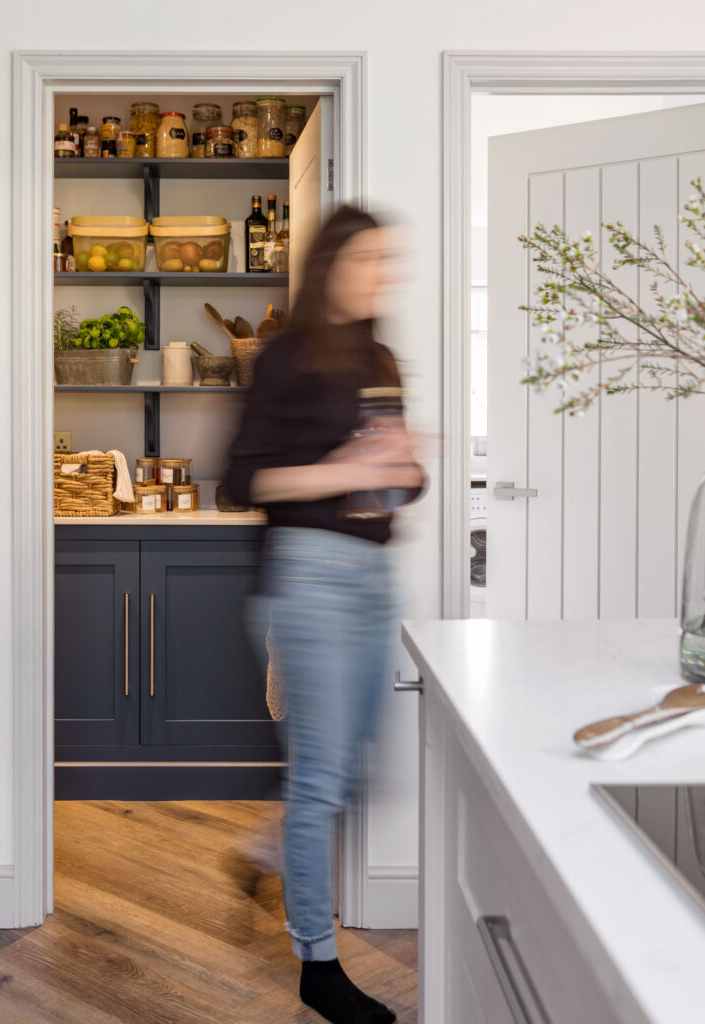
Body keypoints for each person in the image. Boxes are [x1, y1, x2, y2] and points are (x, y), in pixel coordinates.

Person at [223, 205, 425, 1024]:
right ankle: (318, 963)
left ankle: (267, 850)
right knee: (321, 780)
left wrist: (405, 467)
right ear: (332, 263)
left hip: (376, 576)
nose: (384, 273)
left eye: (388, 259)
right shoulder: (286, 357)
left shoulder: (381, 358)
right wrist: (340, 466)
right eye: (371, 258)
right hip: (308, 580)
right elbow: (245, 482)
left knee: (354, 772)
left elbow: (396, 486)